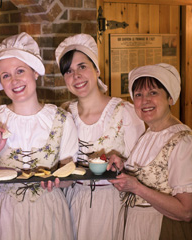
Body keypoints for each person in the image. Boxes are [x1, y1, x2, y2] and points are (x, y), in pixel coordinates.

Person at [0, 32, 79, 240]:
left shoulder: (62, 120)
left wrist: (57, 181)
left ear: (35, 72)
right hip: (5, 214)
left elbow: (69, 177)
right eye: (6, 75)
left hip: (49, 209)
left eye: (20, 71)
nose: (14, 80)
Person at [54, 33, 146, 240]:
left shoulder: (125, 112)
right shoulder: (63, 114)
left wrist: (122, 163)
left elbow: (143, 168)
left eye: (82, 67)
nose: (76, 75)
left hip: (112, 202)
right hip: (73, 200)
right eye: (68, 71)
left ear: (97, 70)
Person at [110, 63, 192, 240]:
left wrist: (136, 187)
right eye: (138, 95)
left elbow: (186, 211)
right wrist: (122, 166)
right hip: (136, 227)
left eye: (153, 93)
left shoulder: (183, 142)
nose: (145, 101)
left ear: (170, 98)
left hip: (164, 229)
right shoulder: (149, 134)